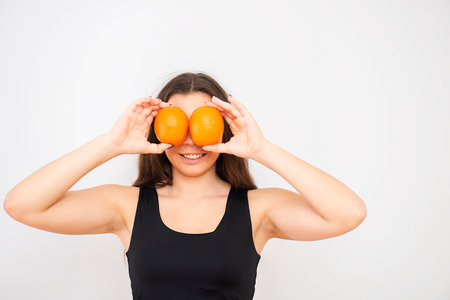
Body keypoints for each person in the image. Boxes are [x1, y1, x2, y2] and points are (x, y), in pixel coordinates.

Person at [4, 72, 367, 299]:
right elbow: (22, 205)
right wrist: (110, 144)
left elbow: (348, 214)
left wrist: (263, 149)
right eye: (178, 124)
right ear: (160, 129)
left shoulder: (258, 210)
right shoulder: (128, 207)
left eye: (204, 123)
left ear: (225, 130)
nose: (191, 141)